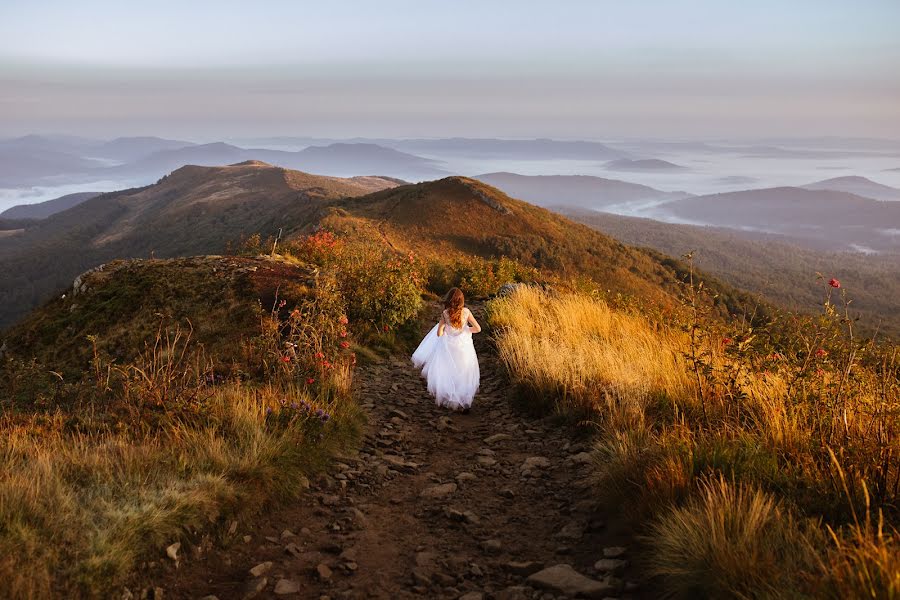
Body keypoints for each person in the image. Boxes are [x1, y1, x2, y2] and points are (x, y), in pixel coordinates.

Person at [411, 287, 481, 412]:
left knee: (449, 372)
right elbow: (477, 329)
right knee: (464, 372)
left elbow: (439, 333)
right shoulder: (466, 312)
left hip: (448, 347)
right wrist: (465, 330)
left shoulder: (445, 313)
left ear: (449, 300)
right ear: (461, 300)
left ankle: (450, 398)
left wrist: (447, 331)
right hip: (464, 347)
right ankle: (464, 402)